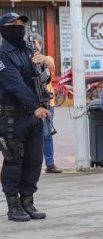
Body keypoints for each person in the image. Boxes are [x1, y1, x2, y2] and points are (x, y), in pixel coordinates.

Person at [0, 12, 52, 222]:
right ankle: (13, 204)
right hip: (11, 115)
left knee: (34, 160)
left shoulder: (29, 49)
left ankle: (27, 201)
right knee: (14, 160)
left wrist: (43, 64)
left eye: (21, 23)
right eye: (13, 24)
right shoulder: (3, 54)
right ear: (4, 29)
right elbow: (14, 84)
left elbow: (41, 80)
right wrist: (34, 107)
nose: (19, 27)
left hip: (34, 116)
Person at [30, 35, 61, 174]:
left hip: (47, 102)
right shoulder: (25, 59)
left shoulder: (46, 58)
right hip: (31, 103)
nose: (34, 48)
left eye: (36, 45)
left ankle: (50, 163)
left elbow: (51, 64)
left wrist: (42, 58)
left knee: (47, 133)